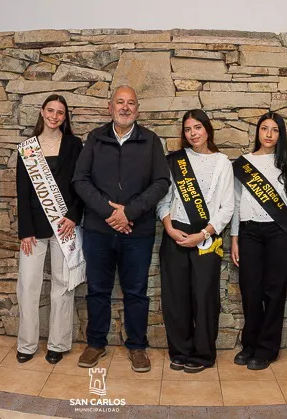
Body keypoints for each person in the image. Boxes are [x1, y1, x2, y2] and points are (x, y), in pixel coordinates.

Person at [73, 85, 170, 373]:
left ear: (137, 109)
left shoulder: (151, 141)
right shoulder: (95, 138)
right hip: (98, 231)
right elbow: (80, 180)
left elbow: (161, 183)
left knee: (136, 292)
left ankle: (137, 347)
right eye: (120, 102)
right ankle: (95, 343)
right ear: (110, 107)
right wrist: (109, 211)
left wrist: (128, 212)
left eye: (131, 103)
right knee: (98, 290)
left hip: (136, 233)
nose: (125, 107)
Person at [157, 109, 235, 373]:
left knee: (204, 296)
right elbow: (164, 200)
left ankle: (203, 354)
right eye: (188, 129)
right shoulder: (174, 161)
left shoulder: (223, 162)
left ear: (208, 130)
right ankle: (179, 350)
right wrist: (168, 228)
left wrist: (204, 234)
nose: (193, 134)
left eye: (198, 128)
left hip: (206, 236)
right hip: (175, 232)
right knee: (175, 296)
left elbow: (227, 207)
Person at [230, 112, 287, 371]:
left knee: (274, 291)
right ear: (258, 132)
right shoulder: (243, 163)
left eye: (274, 129)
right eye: (264, 128)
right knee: (250, 291)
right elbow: (237, 202)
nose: (269, 134)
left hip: (278, 234)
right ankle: (249, 344)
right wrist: (235, 237)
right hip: (249, 232)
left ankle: (267, 349)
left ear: (280, 134)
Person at [14, 95, 84, 364]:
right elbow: (23, 192)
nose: (55, 116)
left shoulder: (74, 145)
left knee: (62, 286)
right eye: (51, 110)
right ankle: (27, 344)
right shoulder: (28, 148)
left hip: (65, 226)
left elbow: (81, 184)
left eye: (60, 113)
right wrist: (25, 231)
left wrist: (73, 217)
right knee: (28, 286)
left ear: (65, 117)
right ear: (42, 112)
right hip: (33, 229)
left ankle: (57, 343)